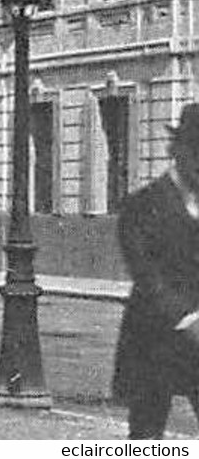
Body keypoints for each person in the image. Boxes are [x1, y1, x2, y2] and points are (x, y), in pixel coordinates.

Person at [115, 103, 199, 438]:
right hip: (155, 338)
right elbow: (147, 276)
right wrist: (190, 318)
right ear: (177, 151)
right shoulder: (143, 205)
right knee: (147, 435)